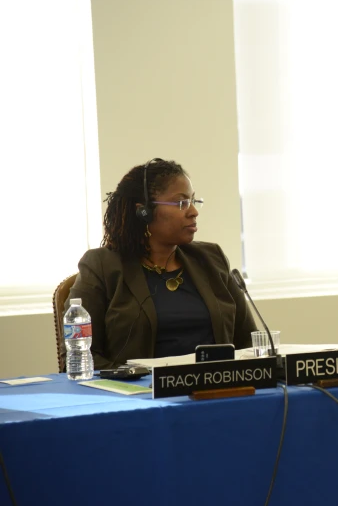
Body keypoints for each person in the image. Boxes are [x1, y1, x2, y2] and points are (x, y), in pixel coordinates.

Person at [69, 158, 257, 369]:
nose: (193, 212)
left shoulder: (211, 258)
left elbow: (249, 342)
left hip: (214, 388)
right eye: (181, 203)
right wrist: (135, 380)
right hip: (139, 394)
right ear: (144, 212)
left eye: (193, 201)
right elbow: (80, 355)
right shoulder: (101, 266)